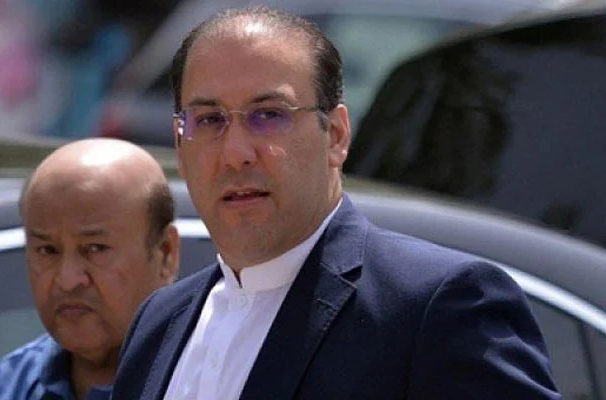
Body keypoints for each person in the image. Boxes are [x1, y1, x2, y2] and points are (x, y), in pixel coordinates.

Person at [111, 6, 560, 400]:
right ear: (180, 145)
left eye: (269, 115)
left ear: (337, 136)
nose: (236, 153)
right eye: (209, 120)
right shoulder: (158, 322)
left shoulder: (437, 308)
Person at [0, 138, 180, 400]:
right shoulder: (10, 386)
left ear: (165, 254)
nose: (68, 280)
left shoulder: (207, 382)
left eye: (95, 248)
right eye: (48, 250)